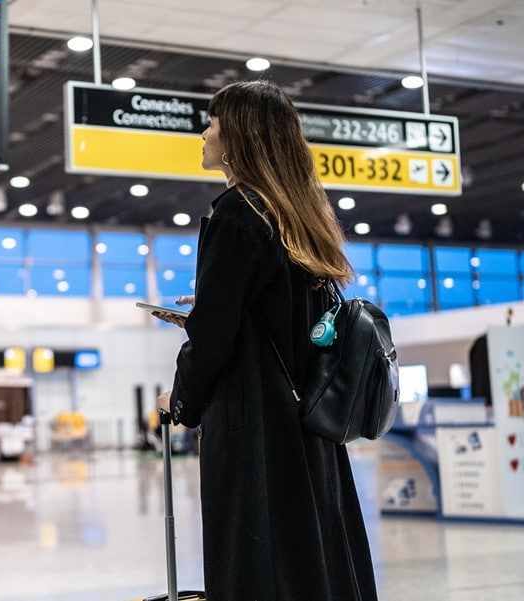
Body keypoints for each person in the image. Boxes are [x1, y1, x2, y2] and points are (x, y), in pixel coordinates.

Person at [155, 81, 376, 600]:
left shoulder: (235, 212)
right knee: (308, 559)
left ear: (240, 136)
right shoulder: (298, 215)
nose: (204, 133)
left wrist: (182, 400)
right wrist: (211, 313)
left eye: (212, 123)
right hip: (310, 425)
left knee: (256, 564)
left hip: (253, 428)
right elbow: (288, 320)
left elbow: (214, 341)